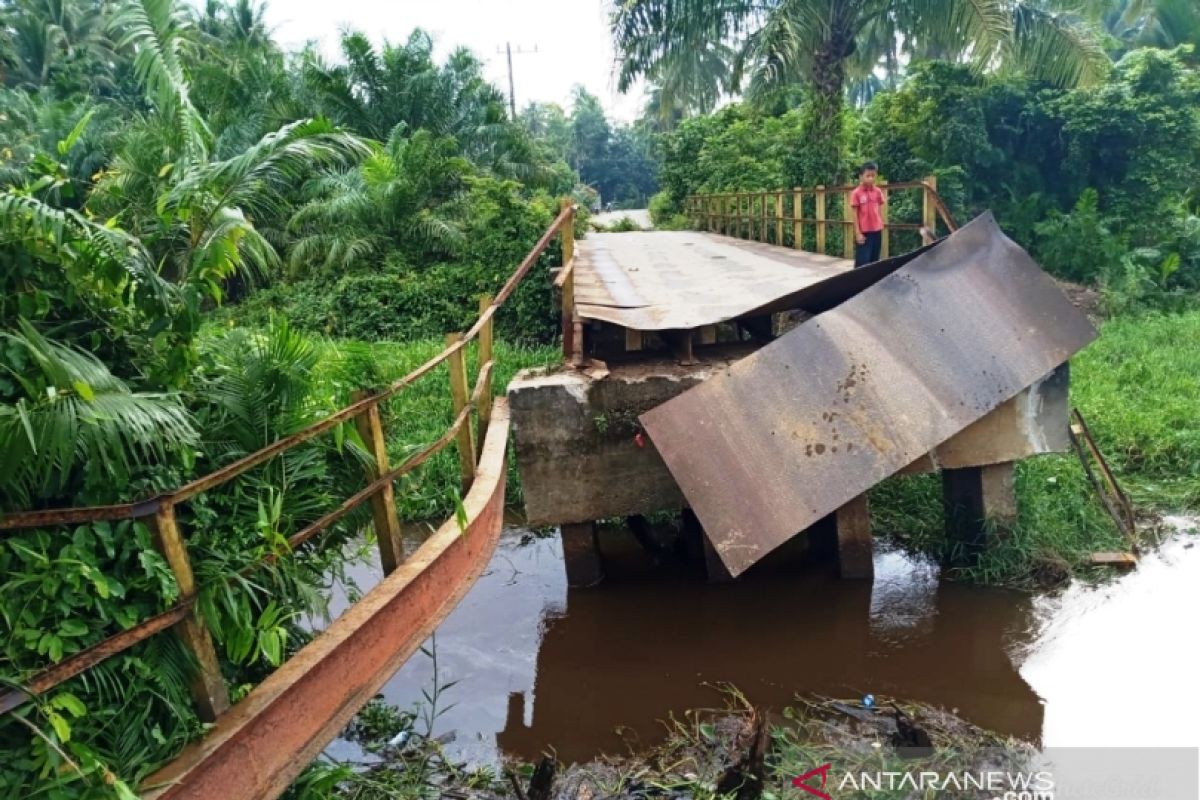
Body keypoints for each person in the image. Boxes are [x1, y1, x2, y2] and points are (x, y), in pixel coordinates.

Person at [850, 161, 885, 268]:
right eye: (868, 176)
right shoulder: (856, 193)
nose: (870, 178)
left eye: (873, 175)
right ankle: (858, 284)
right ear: (861, 177)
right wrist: (857, 233)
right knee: (862, 262)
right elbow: (854, 214)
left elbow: (879, 210)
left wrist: (881, 224)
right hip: (864, 233)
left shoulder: (878, 192)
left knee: (875, 261)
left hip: (877, 231)